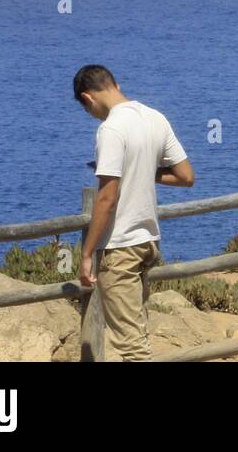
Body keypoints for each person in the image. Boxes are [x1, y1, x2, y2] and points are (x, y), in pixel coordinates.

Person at [73, 64, 195, 361]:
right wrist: (143, 171)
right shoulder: (155, 117)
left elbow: (107, 198)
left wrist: (87, 253)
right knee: (138, 334)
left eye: (86, 108)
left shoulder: (111, 128)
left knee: (133, 349)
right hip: (148, 241)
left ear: (88, 98)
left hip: (120, 247)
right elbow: (185, 176)